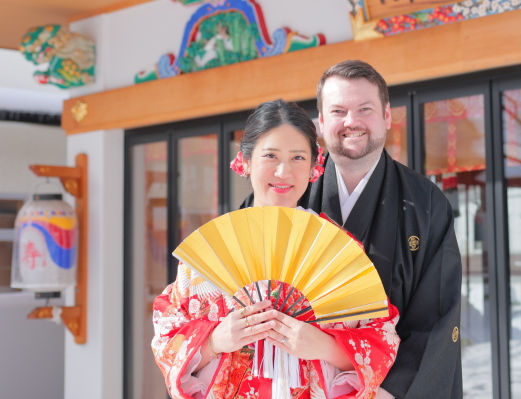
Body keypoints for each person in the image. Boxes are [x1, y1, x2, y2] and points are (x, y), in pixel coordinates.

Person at [153, 99, 400, 399]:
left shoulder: (336, 249)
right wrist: (215, 342)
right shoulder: (210, 253)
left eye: (298, 158)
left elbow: (380, 339)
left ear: (314, 166)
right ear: (244, 161)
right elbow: (167, 334)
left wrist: (324, 346)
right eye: (270, 155)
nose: (284, 172)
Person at [306, 60, 463, 398]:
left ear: (387, 116)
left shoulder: (426, 203)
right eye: (337, 111)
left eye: (365, 109)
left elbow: (435, 317)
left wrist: (387, 391)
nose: (352, 122)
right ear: (321, 122)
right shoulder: (293, 194)